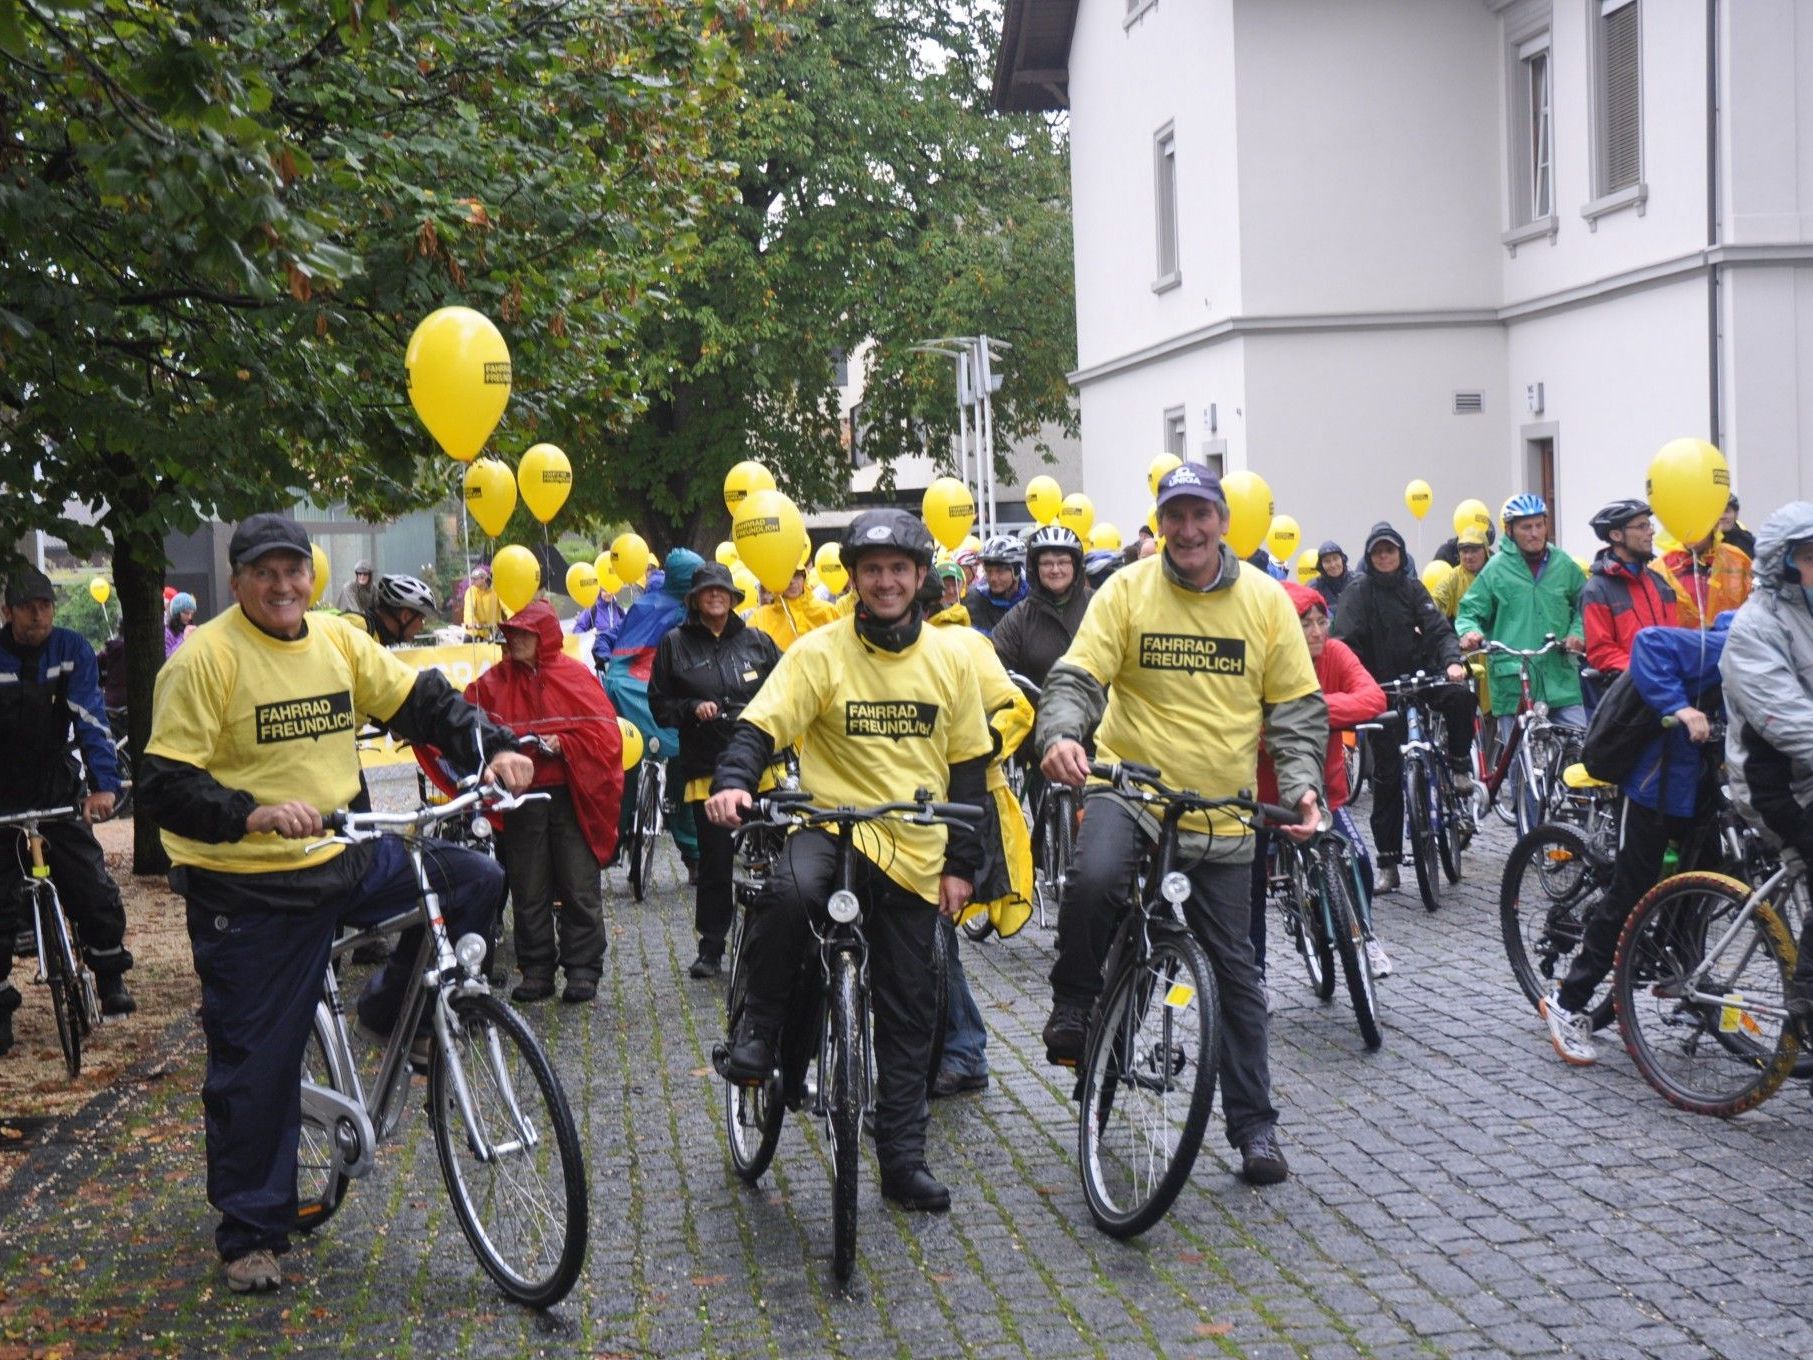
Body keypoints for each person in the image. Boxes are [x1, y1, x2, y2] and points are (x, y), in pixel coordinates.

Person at [137, 514, 532, 1295]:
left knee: (472, 881)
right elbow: (163, 784)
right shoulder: (204, 660)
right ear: (240, 577)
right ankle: (252, 1231)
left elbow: (422, 702)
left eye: (294, 571)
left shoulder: (337, 641)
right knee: (259, 1062)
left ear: (310, 576)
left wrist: (494, 745)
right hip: (247, 883)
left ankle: (392, 1012)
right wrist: (248, 812)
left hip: (340, 854)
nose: (283, 586)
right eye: (265, 573)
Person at [1035, 463, 1326, 1186]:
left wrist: (1301, 791)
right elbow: (1078, 676)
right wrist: (1062, 736)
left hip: (1219, 812)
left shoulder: (1264, 603)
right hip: (1130, 787)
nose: (1187, 530)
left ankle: (1253, 1130)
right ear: (1159, 522)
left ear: (1222, 521)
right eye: (1175, 516)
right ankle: (1074, 1006)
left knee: (1236, 977)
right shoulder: (1127, 590)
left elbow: (1293, 711)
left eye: (1200, 515)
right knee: (1096, 878)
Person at [707, 508, 993, 1212]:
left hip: (915, 849)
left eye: (899, 569)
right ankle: (759, 1033)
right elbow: (761, 724)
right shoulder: (819, 652)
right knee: (785, 893)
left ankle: (900, 1162)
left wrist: (962, 862)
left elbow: (968, 770)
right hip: (834, 831)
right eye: (873, 570)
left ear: (921, 578)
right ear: (855, 579)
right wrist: (734, 780)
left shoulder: (953, 658)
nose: (886, 582)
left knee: (909, 1013)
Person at [1540, 615, 1731, 1064]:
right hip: (1653, 782)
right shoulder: (1735, 641)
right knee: (1632, 888)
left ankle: (1677, 966)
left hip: (1700, 782)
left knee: (1707, 873)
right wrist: (1682, 708)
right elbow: (1649, 644)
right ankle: (1567, 1002)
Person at [0, 566, 134, 1057]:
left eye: (46, 605)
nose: (40, 615)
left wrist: (102, 785)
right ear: (7, 611)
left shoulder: (71, 648)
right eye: (29, 607)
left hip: (55, 784)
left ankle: (109, 973)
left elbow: (91, 719)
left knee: (89, 883)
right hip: (2, 791)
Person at [465, 600, 622, 1004]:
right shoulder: (494, 683)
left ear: (544, 638)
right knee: (527, 886)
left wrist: (566, 743)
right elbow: (466, 721)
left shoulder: (576, 677)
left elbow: (605, 736)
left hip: (572, 797)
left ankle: (583, 968)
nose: (514, 640)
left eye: (524, 634)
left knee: (578, 882)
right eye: (512, 633)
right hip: (523, 802)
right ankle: (535, 969)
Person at [923, 568, 1035, 1098]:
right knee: (920, 935)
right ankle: (946, 1044)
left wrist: (979, 749)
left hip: (961, 805)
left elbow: (1015, 707)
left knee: (934, 930)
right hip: (901, 808)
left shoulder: (966, 643)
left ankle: (964, 1047)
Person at [1251, 583, 1392, 1000]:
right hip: (1264, 796)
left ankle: (1363, 934)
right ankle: (1253, 975)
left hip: (1324, 793)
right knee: (1249, 887)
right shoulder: (1266, 661)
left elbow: (1372, 696)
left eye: (1321, 621)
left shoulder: (1335, 654)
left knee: (1360, 862)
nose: (1315, 632)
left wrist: (1311, 710)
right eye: (1304, 623)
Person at [649, 562, 782, 979]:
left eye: (722, 591)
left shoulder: (758, 642)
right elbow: (659, 704)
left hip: (764, 769)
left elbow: (785, 694)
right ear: (695, 599)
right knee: (716, 864)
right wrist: (690, 710)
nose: (715, 597)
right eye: (707, 591)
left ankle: (784, 938)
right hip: (708, 770)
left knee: (783, 857)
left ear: (732, 597)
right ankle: (712, 946)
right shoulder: (674, 644)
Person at [1331, 523, 1474, 895]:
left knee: (1461, 697)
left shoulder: (1412, 587)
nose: (1384, 557)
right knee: (1388, 776)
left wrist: (1453, 662)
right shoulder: (1357, 592)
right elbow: (1342, 643)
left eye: (1390, 551)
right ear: (1369, 556)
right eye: (1378, 551)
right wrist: (1357, 682)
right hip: (1380, 690)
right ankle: (1389, 864)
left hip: (1420, 678)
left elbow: (1439, 630)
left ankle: (1458, 766)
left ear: (1399, 554)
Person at [1720, 502, 1813, 1030]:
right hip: (1774, 785)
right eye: (1811, 556)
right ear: (1782, 564)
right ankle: (1807, 1007)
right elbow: (1790, 721)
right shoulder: (1755, 629)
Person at [1456, 492, 1588, 745]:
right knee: (1522, 764)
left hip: (1560, 678)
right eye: (1526, 527)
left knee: (1578, 752)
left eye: (1539, 525)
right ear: (1510, 530)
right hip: (1515, 682)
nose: (1534, 533)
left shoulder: (1563, 564)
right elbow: (1469, 611)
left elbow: (1587, 604)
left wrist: (1578, 632)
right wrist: (1471, 632)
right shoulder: (1495, 570)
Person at [606, 549, 704, 881]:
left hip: (632, 695)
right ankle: (693, 857)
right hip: (662, 696)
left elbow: (620, 644)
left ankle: (616, 841)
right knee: (682, 779)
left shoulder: (647, 606)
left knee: (627, 775)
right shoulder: (692, 611)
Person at [1580, 499, 1677, 684]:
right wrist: (1645, 671)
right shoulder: (1596, 589)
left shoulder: (1659, 583)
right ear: (1616, 535)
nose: (1651, 532)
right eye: (1642, 526)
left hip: (1669, 683)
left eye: (1649, 525)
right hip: (1628, 690)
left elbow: (1675, 636)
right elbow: (1601, 652)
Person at [992, 525, 1093, 690]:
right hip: (1038, 712)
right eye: (1046, 563)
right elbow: (992, 663)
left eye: (1063, 562)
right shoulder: (1020, 617)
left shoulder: (1097, 604)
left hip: (1096, 712)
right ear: (1035, 568)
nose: (1055, 570)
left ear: (1076, 566)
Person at [1661, 526, 1751, 630]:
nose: (1691, 533)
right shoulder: (1664, 566)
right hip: (1683, 643)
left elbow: (1753, 605)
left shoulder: (1735, 559)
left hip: (1729, 640)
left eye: (1698, 526)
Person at [748, 563, 840, 652]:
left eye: (796, 575)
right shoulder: (760, 617)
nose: (791, 581)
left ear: (804, 578)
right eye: (786, 576)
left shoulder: (827, 611)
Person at [961, 535, 1028, 635]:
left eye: (1000, 572)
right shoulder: (973, 600)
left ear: (1017, 571)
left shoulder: (1032, 601)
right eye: (988, 571)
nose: (993, 578)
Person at [1429, 526, 1489, 621]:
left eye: (1474, 551)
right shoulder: (1453, 578)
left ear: (1485, 551)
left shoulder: (1496, 574)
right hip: (1463, 632)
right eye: (1464, 551)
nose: (1468, 556)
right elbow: (1438, 599)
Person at [362, 574, 438, 648]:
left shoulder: (377, 635)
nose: (422, 627)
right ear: (405, 616)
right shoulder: (362, 631)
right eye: (422, 619)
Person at [573, 586, 628, 675]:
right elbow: (578, 630)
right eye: (605, 591)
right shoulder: (592, 610)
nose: (609, 593)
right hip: (600, 659)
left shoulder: (618, 609)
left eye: (611, 590)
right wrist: (589, 635)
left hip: (619, 657)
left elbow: (627, 628)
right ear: (599, 592)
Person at [461, 564, 506, 637]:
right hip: (476, 630)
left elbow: (506, 606)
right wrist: (469, 622)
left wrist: (514, 619)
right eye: (472, 578)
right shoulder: (471, 591)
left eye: (475, 579)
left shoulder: (496, 590)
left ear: (484, 579)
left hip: (495, 630)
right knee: (467, 640)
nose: (472, 581)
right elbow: (469, 609)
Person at [1433, 521, 1497, 568]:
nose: (1469, 556)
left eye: (1476, 549)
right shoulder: (1446, 553)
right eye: (1465, 551)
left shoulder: (1492, 561)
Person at [1310, 540, 1351, 611]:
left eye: (1336, 558)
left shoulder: (1357, 582)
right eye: (1327, 561)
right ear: (1321, 566)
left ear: (1343, 559)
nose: (1333, 565)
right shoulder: (1314, 588)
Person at [1717, 494, 1755, 558]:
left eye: (1726, 511)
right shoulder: (1702, 543)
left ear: (1736, 514)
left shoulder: (1748, 542)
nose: (1721, 516)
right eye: (1718, 511)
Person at [165, 591, 197, 658]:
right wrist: (183, 639)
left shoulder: (191, 628)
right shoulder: (167, 633)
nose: (189, 617)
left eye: (192, 614)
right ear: (176, 613)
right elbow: (168, 659)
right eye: (186, 613)